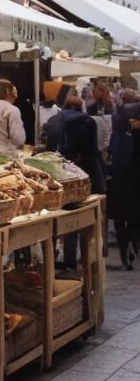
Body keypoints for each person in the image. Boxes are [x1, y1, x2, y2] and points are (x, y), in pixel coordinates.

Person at [58, 93, 107, 273]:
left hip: (63, 176)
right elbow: (91, 151)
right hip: (86, 175)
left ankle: (69, 261)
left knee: (69, 219)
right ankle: (91, 261)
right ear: (80, 107)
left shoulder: (57, 120)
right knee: (90, 220)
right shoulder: (87, 122)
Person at [108, 90, 140, 269]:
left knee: (121, 219)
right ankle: (131, 246)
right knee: (133, 218)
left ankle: (125, 254)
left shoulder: (119, 125)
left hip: (119, 173)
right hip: (132, 175)